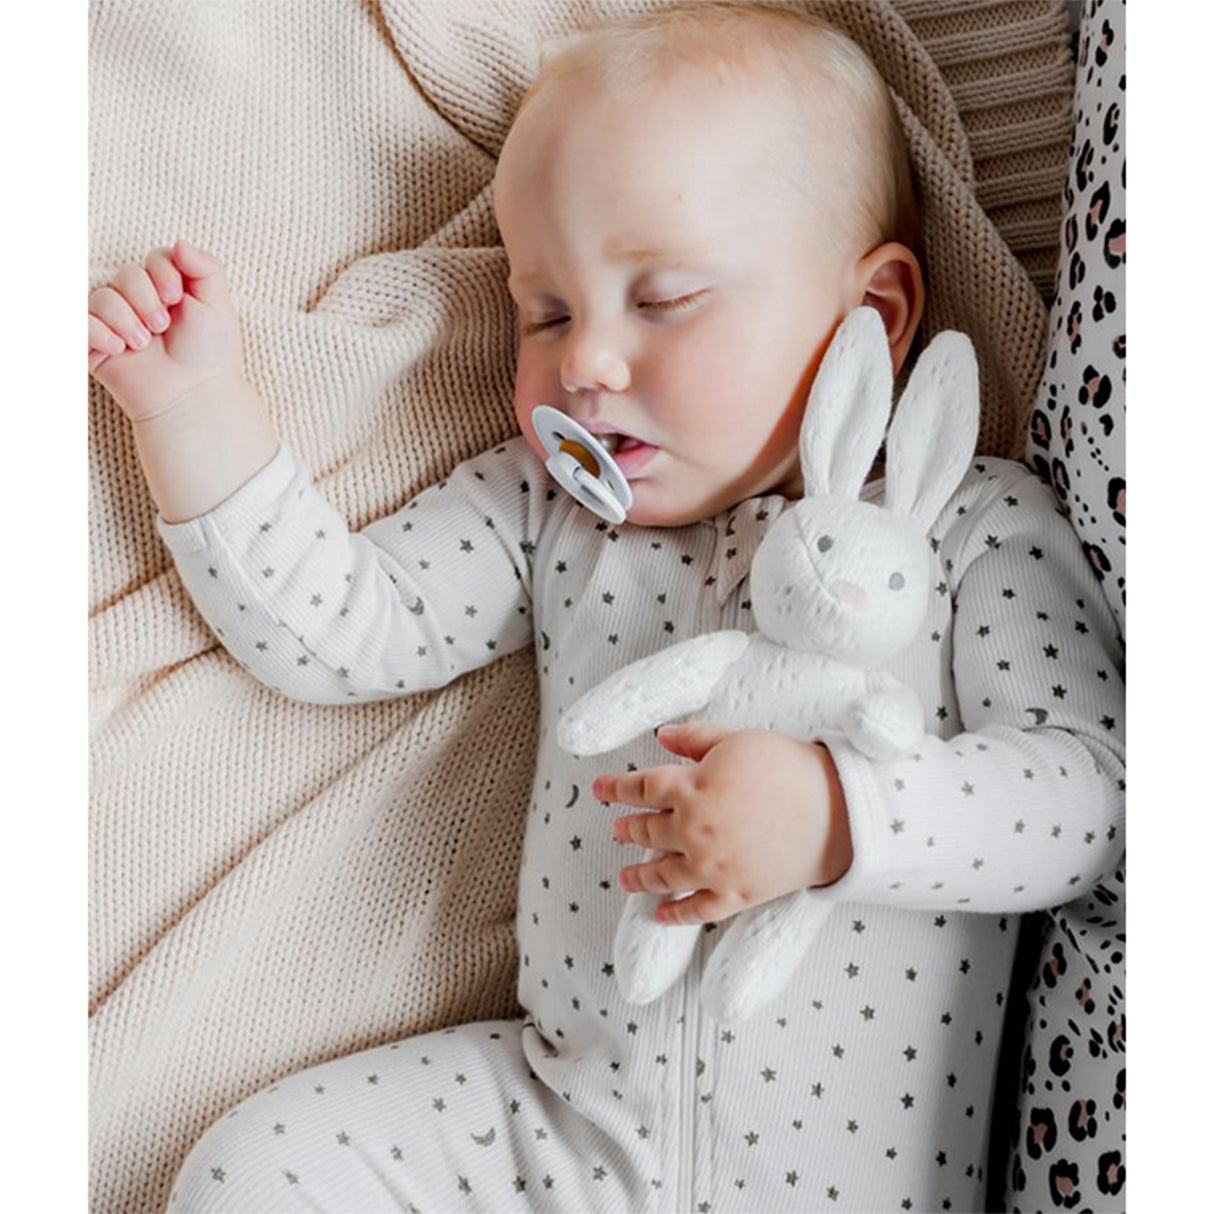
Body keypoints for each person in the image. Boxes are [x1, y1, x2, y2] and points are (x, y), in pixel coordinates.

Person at [87, 5, 1124, 1212]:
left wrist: (841, 817)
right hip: (563, 1126)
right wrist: (191, 411)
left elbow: (1093, 796)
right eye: (546, 312)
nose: (584, 365)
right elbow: (348, 623)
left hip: (847, 1185)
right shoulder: (556, 517)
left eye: (664, 298)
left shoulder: (972, 525)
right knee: (256, 1167)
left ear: (873, 318)